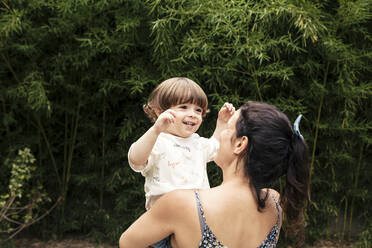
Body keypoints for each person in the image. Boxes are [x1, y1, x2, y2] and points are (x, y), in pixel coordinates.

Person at [120, 101, 310, 248]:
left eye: (228, 128)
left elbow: (128, 243)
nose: (221, 134)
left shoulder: (182, 204)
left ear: (239, 144)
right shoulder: (275, 203)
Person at [127, 77, 235, 247]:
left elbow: (216, 147)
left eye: (198, 110)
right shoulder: (157, 141)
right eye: (183, 107)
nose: (192, 114)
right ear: (158, 111)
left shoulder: (198, 143)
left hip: (197, 220)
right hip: (162, 221)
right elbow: (136, 160)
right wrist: (155, 129)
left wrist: (222, 123)